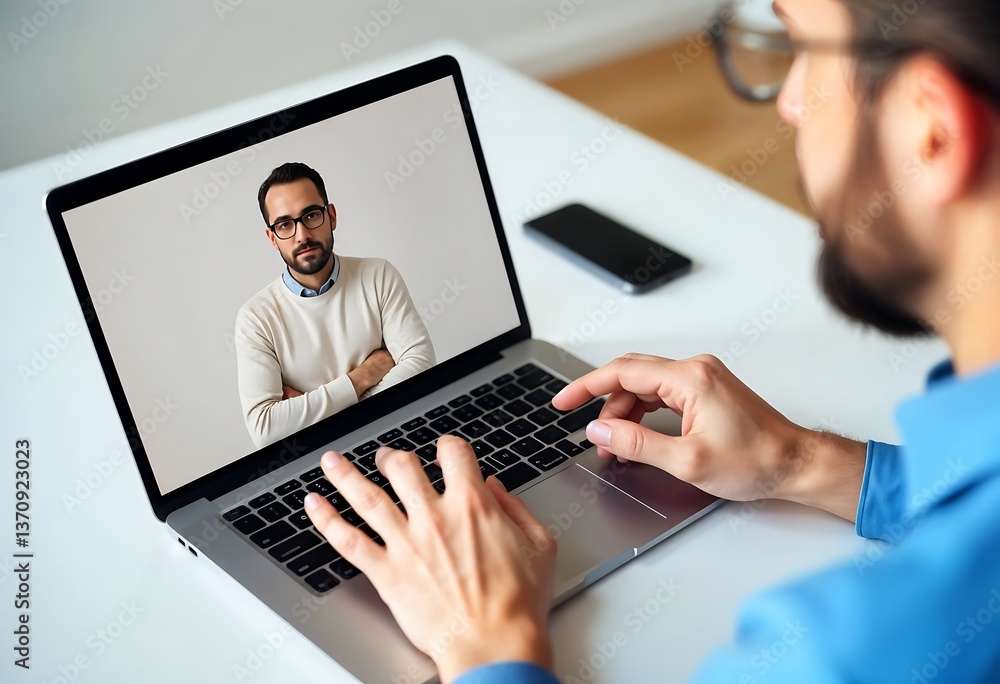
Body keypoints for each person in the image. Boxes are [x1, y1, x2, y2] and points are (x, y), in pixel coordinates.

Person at [302, 0, 1000, 681]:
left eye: (803, 50)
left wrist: (490, 644)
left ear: (932, 128)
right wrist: (801, 462)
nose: (789, 102)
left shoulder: (854, 656)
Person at [235, 162, 435, 448]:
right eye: (285, 225)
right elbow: (265, 430)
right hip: (322, 463)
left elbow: (422, 367)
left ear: (331, 216)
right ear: (272, 238)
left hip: (398, 439)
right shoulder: (255, 319)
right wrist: (364, 376)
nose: (302, 235)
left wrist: (312, 411)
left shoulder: (378, 275)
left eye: (311, 215)